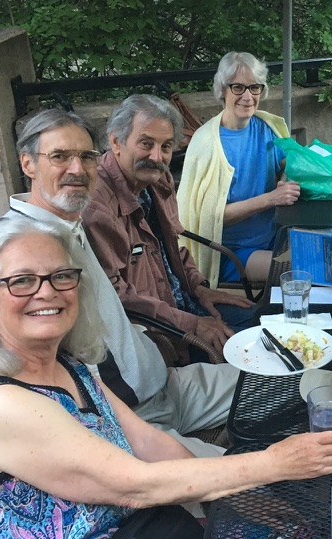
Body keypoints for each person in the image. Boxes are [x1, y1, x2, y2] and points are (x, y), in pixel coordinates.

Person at [0, 216, 332, 539]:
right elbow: (136, 485)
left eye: (62, 276)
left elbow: (152, 444)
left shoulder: (66, 365)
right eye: (21, 281)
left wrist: (240, 502)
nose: (47, 291)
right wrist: (275, 463)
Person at [0, 109, 240, 456]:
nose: (77, 169)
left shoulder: (70, 224)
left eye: (86, 157)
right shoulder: (10, 242)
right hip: (125, 419)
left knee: (298, 383)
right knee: (246, 490)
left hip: (166, 386)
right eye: (59, 156)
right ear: (28, 164)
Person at [84, 95, 255, 360]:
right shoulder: (98, 208)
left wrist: (199, 287)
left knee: (263, 322)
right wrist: (192, 323)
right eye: (146, 143)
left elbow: (170, 246)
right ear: (116, 142)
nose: (157, 156)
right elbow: (115, 298)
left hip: (183, 301)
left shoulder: (156, 178)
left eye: (165, 146)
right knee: (250, 355)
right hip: (157, 333)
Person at [177, 52, 300, 287]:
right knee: (300, 268)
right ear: (222, 90)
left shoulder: (267, 127)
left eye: (255, 88)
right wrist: (271, 198)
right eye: (238, 88)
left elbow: (286, 164)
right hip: (227, 253)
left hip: (272, 235)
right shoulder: (207, 144)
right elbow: (208, 218)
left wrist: (285, 178)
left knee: (329, 250)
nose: (248, 96)